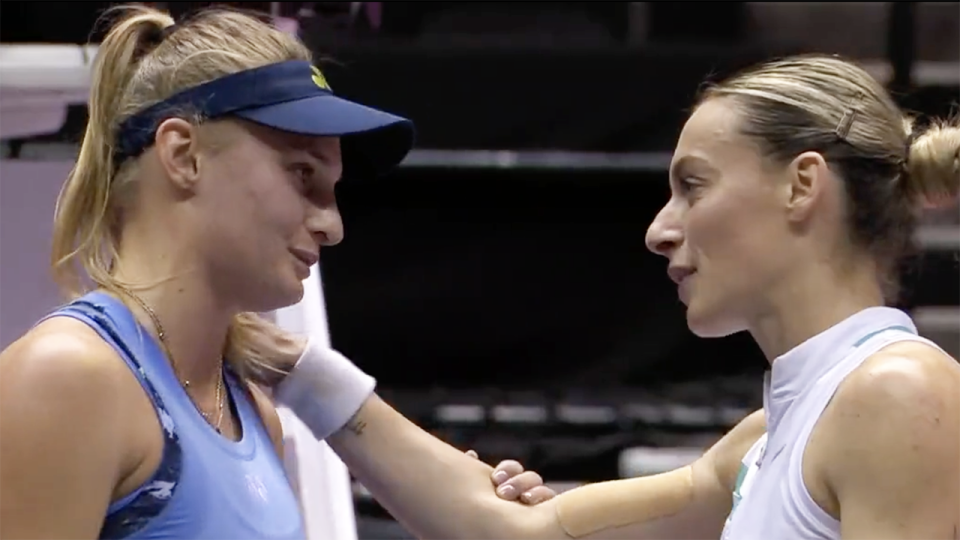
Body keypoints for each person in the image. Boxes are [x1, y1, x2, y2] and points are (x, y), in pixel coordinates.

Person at [274, 54, 960, 540]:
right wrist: (296, 369)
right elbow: (513, 532)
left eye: (694, 186)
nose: (660, 230)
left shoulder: (898, 392)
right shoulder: (774, 431)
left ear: (801, 185)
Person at [0, 5, 552, 540]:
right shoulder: (68, 378)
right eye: (301, 173)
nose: (331, 225)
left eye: (331, 191)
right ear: (183, 155)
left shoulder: (253, 412)